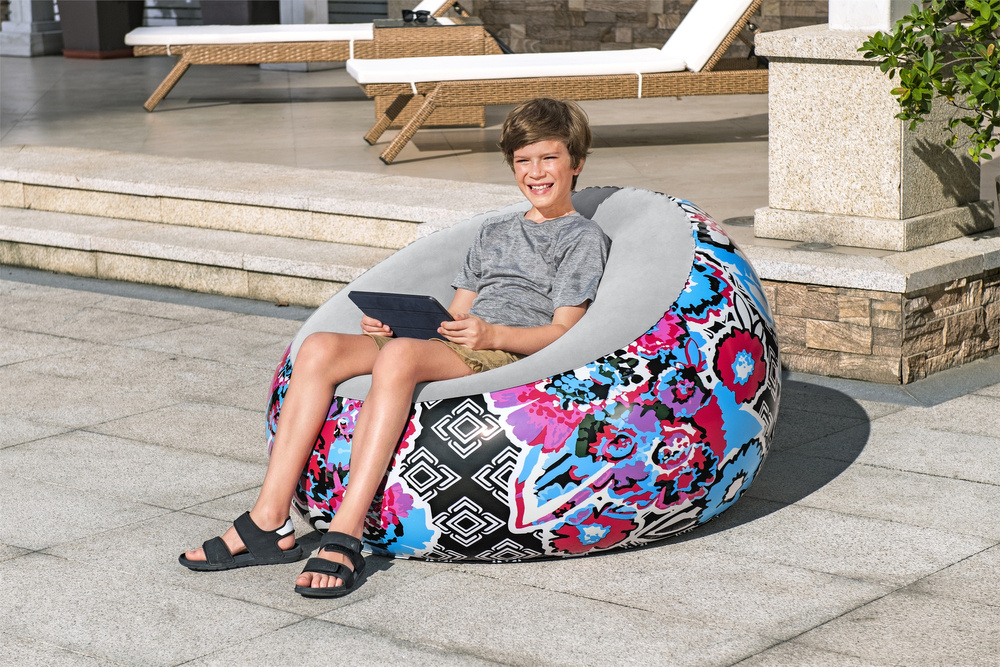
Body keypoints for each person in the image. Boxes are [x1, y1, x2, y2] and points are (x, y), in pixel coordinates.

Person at [179, 98, 611, 598]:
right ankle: (268, 520)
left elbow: (563, 332)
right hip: (460, 339)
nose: (536, 172)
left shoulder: (582, 237)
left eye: (549, 158)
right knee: (319, 347)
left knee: (401, 356)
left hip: (505, 349)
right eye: (523, 161)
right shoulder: (494, 231)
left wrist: (493, 335)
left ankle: (346, 531)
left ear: (576, 163)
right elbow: (456, 313)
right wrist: (396, 327)